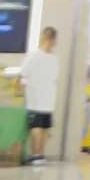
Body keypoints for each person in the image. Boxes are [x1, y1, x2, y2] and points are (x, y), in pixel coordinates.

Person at [21, 26, 58, 161]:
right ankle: (40, 155)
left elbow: (23, 74)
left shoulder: (33, 56)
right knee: (43, 127)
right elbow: (55, 77)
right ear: (51, 39)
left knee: (37, 127)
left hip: (36, 98)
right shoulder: (53, 58)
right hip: (47, 98)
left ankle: (36, 155)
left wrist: (24, 85)